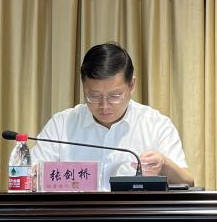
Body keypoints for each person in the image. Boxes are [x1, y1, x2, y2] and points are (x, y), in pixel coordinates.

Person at [34, 43, 195, 189]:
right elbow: (31, 177)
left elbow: (188, 182)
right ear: (83, 87)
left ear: (132, 85)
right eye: (94, 96)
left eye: (114, 96)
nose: (104, 105)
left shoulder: (156, 125)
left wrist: (164, 165)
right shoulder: (61, 125)